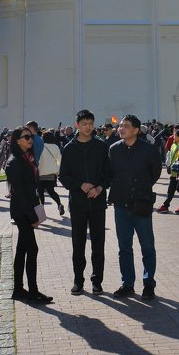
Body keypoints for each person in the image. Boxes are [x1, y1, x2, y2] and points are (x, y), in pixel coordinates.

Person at [107, 115, 162, 300]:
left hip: (142, 204)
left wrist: (140, 188)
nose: (121, 128)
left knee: (147, 246)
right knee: (124, 247)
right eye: (121, 125)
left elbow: (155, 173)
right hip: (121, 204)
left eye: (126, 126)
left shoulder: (149, 150)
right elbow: (111, 173)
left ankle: (149, 284)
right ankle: (127, 283)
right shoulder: (114, 149)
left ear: (137, 130)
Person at [58, 109, 112, 295]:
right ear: (77, 125)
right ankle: (78, 280)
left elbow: (108, 173)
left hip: (97, 203)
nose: (88, 127)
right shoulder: (69, 149)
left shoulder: (101, 147)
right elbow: (64, 176)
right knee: (78, 244)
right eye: (84, 124)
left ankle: (97, 280)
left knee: (98, 243)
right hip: (78, 203)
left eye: (90, 123)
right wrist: (80, 185)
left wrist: (99, 188)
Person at [5, 127, 52, 303]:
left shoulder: (28, 158)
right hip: (21, 211)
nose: (30, 139)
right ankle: (33, 291)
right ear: (17, 140)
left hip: (27, 208)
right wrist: (33, 217)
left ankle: (18, 289)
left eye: (31, 136)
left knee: (22, 249)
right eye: (26, 137)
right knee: (32, 249)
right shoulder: (15, 161)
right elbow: (20, 192)